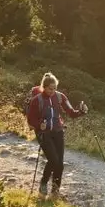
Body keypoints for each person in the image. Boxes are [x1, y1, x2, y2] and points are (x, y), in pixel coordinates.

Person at [26, 72, 86, 200]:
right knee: (53, 160)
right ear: (44, 87)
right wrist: (39, 125)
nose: (52, 91)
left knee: (60, 163)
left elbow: (71, 113)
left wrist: (81, 111)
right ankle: (43, 184)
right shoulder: (37, 100)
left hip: (58, 131)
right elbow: (30, 119)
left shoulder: (60, 97)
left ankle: (55, 190)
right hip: (43, 133)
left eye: (54, 89)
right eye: (49, 89)